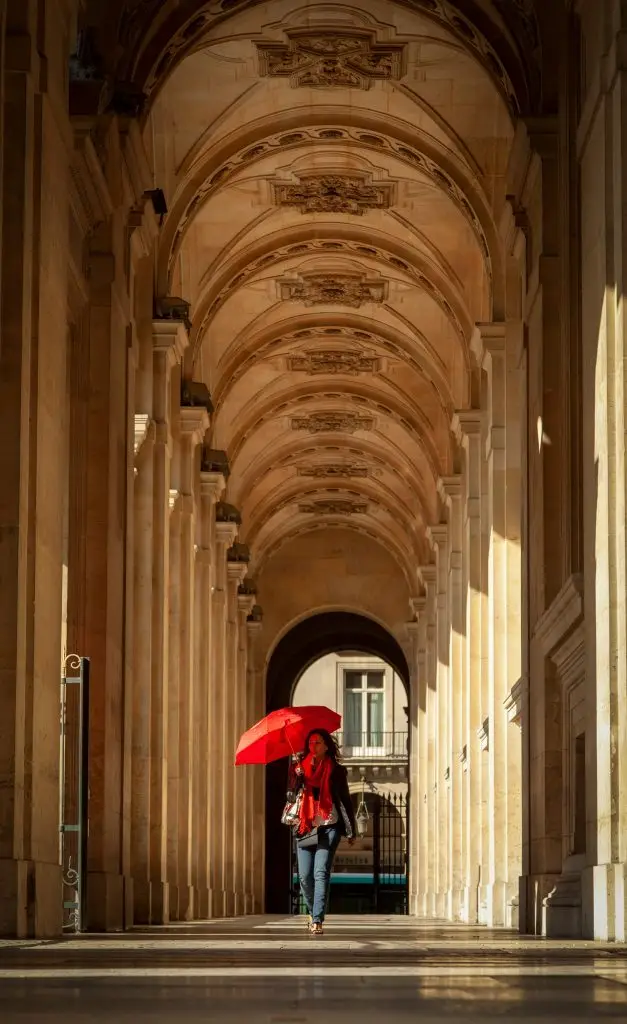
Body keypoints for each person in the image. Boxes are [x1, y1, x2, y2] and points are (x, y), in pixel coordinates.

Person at [287, 729, 357, 935]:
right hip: (306, 827)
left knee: (320, 873)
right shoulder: (298, 768)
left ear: (326, 746)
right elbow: (290, 797)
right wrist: (296, 778)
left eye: (317, 742)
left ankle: (317, 919)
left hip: (330, 825)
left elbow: (345, 800)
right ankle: (312, 911)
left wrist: (351, 830)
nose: (313, 746)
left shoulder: (336, 771)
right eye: (310, 743)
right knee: (305, 877)